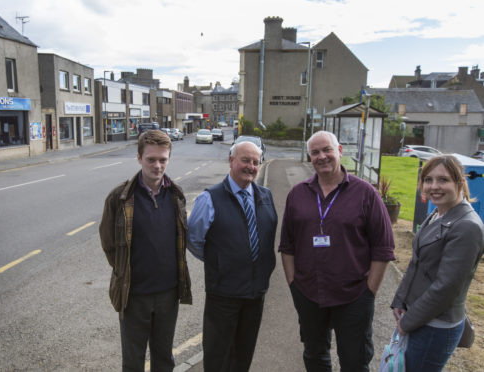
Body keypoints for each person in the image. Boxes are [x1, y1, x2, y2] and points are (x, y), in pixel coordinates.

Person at [279, 130, 395, 372]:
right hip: (309, 293)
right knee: (314, 356)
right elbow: (287, 245)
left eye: (327, 150)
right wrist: (293, 285)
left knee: (354, 361)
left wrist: (369, 292)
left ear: (339, 151)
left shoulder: (366, 194)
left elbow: (383, 248)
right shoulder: (298, 194)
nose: (322, 156)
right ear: (310, 157)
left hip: (353, 296)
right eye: (315, 152)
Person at [99, 129, 192, 372]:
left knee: (164, 360)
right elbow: (109, 245)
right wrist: (127, 273)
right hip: (134, 296)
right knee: (133, 363)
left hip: (168, 295)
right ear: (139, 158)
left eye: (163, 159)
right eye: (151, 159)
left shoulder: (176, 195)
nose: (158, 165)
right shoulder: (118, 198)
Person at [188, 141, 278, 372]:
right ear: (231, 160)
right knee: (218, 358)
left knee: (243, 356)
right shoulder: (209, 199)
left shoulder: (265, 196)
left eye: (255, 162)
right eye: (245, 160)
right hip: (223, 295)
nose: (250, 166)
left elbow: (268, 239)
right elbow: (194, 240)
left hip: (255, 294)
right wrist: (220, 261)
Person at [391, 155, 484, 371]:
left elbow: (446, 288)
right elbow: (416, 263)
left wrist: (407, 322)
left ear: (460, 183)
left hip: (435, 326)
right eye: (428, 180)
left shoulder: (466, 226)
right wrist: (400, 301)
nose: (434, 187)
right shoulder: (439, 213)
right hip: (419, 317)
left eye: (443, 180)